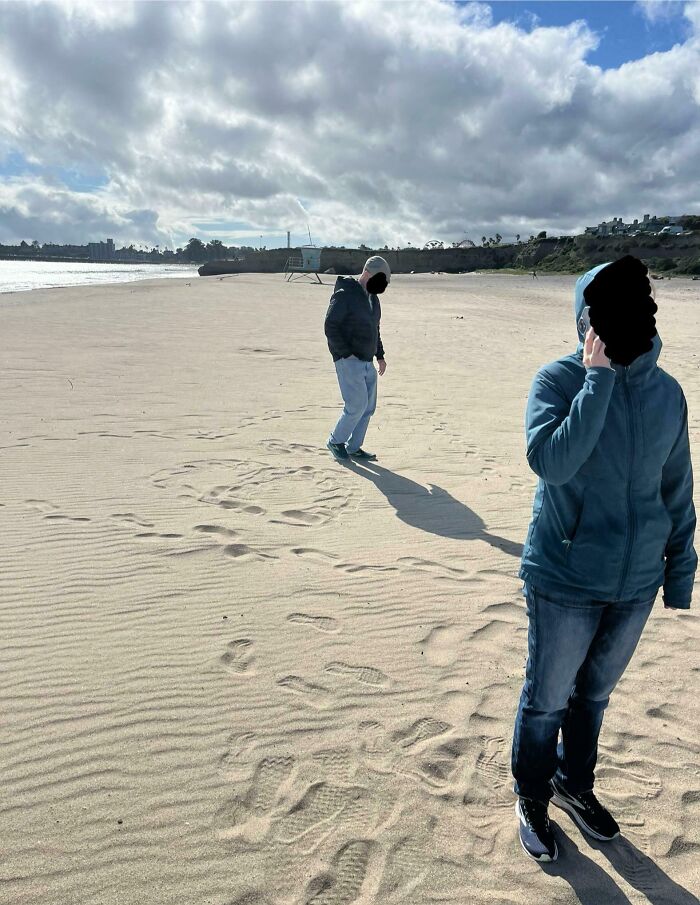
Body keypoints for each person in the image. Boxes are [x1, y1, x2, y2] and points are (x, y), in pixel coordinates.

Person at [512, 254, 697, 862]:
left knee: (591, 699)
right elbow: (553, 463)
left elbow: (676, 487)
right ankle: (533, 796)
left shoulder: (667, 394)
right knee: (546, 700)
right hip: (564, 576)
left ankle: (574, 784)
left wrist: (680, 568)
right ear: (584, 319)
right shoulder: (557, 381)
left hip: (636, 582)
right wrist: (598, 380)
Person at [324, 256, 390, 461]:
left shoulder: (373, 299)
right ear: (367, 273)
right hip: (348, 360)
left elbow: (375, 329)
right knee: (356, 405)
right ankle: (336, 441)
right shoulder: (345, 294)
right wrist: (345, 353)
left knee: (368, 407)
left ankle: (354, 447)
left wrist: (380, 355)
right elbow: (330, 326)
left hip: (367, 360)